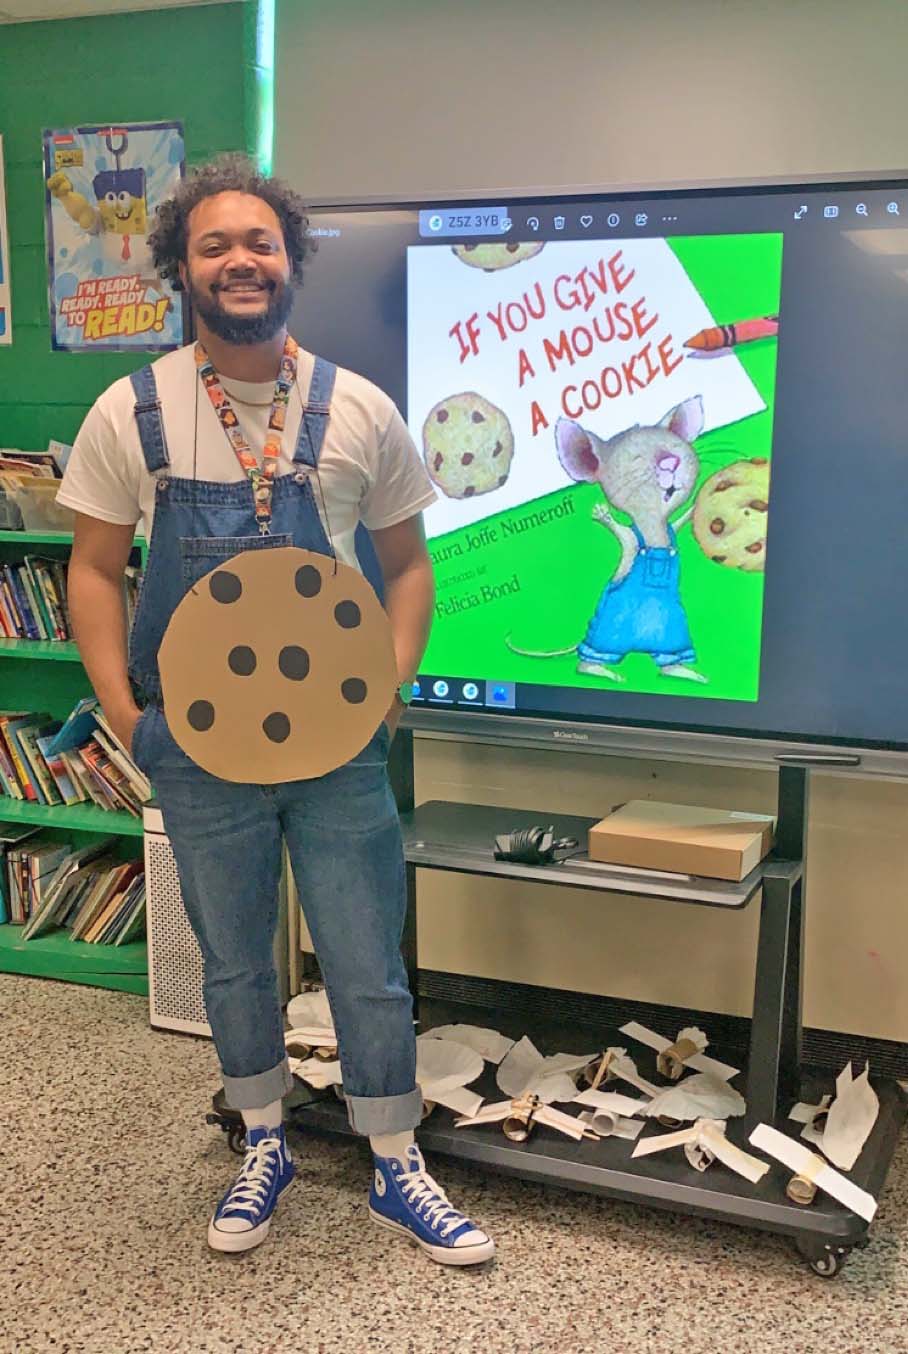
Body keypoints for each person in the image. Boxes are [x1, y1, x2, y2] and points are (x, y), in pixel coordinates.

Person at [57, 155, 495, 1267]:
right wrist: (126, 718)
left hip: (337, 747)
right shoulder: (133, 408)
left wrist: (386, 694)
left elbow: (406, 566)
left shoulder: (356, 408)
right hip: (196, 750)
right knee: (234, 963)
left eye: (259, 242)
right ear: (181, 269)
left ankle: (396, 1161)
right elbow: (96, 570)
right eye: (214, 245)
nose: (240, 260)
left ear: (289, 260)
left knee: (365, 959)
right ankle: (264, 1138)